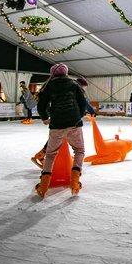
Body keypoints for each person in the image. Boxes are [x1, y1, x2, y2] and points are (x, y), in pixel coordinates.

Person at [35, 63, 87, 198]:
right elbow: (83, 103)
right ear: (66, 73)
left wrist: (45, 118)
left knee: (51, 154)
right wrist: (78, 117)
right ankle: (75, 182)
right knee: (79, 150)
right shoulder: (74, 84)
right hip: (74, 123)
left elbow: (41, 105)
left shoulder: (48, 86)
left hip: (56, 124)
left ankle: (44, 185)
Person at [31, 77, 95, 167]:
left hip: (58, 115)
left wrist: (47, 115)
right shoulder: (75, 87)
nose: (84, 90)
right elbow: (84, 103)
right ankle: (42, 155)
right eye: (84, 87)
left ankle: (42, 155)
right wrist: (91, 112)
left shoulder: (62, 85)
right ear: (81, 85)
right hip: (67, 117)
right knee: (64, 138)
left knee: (59, 135)